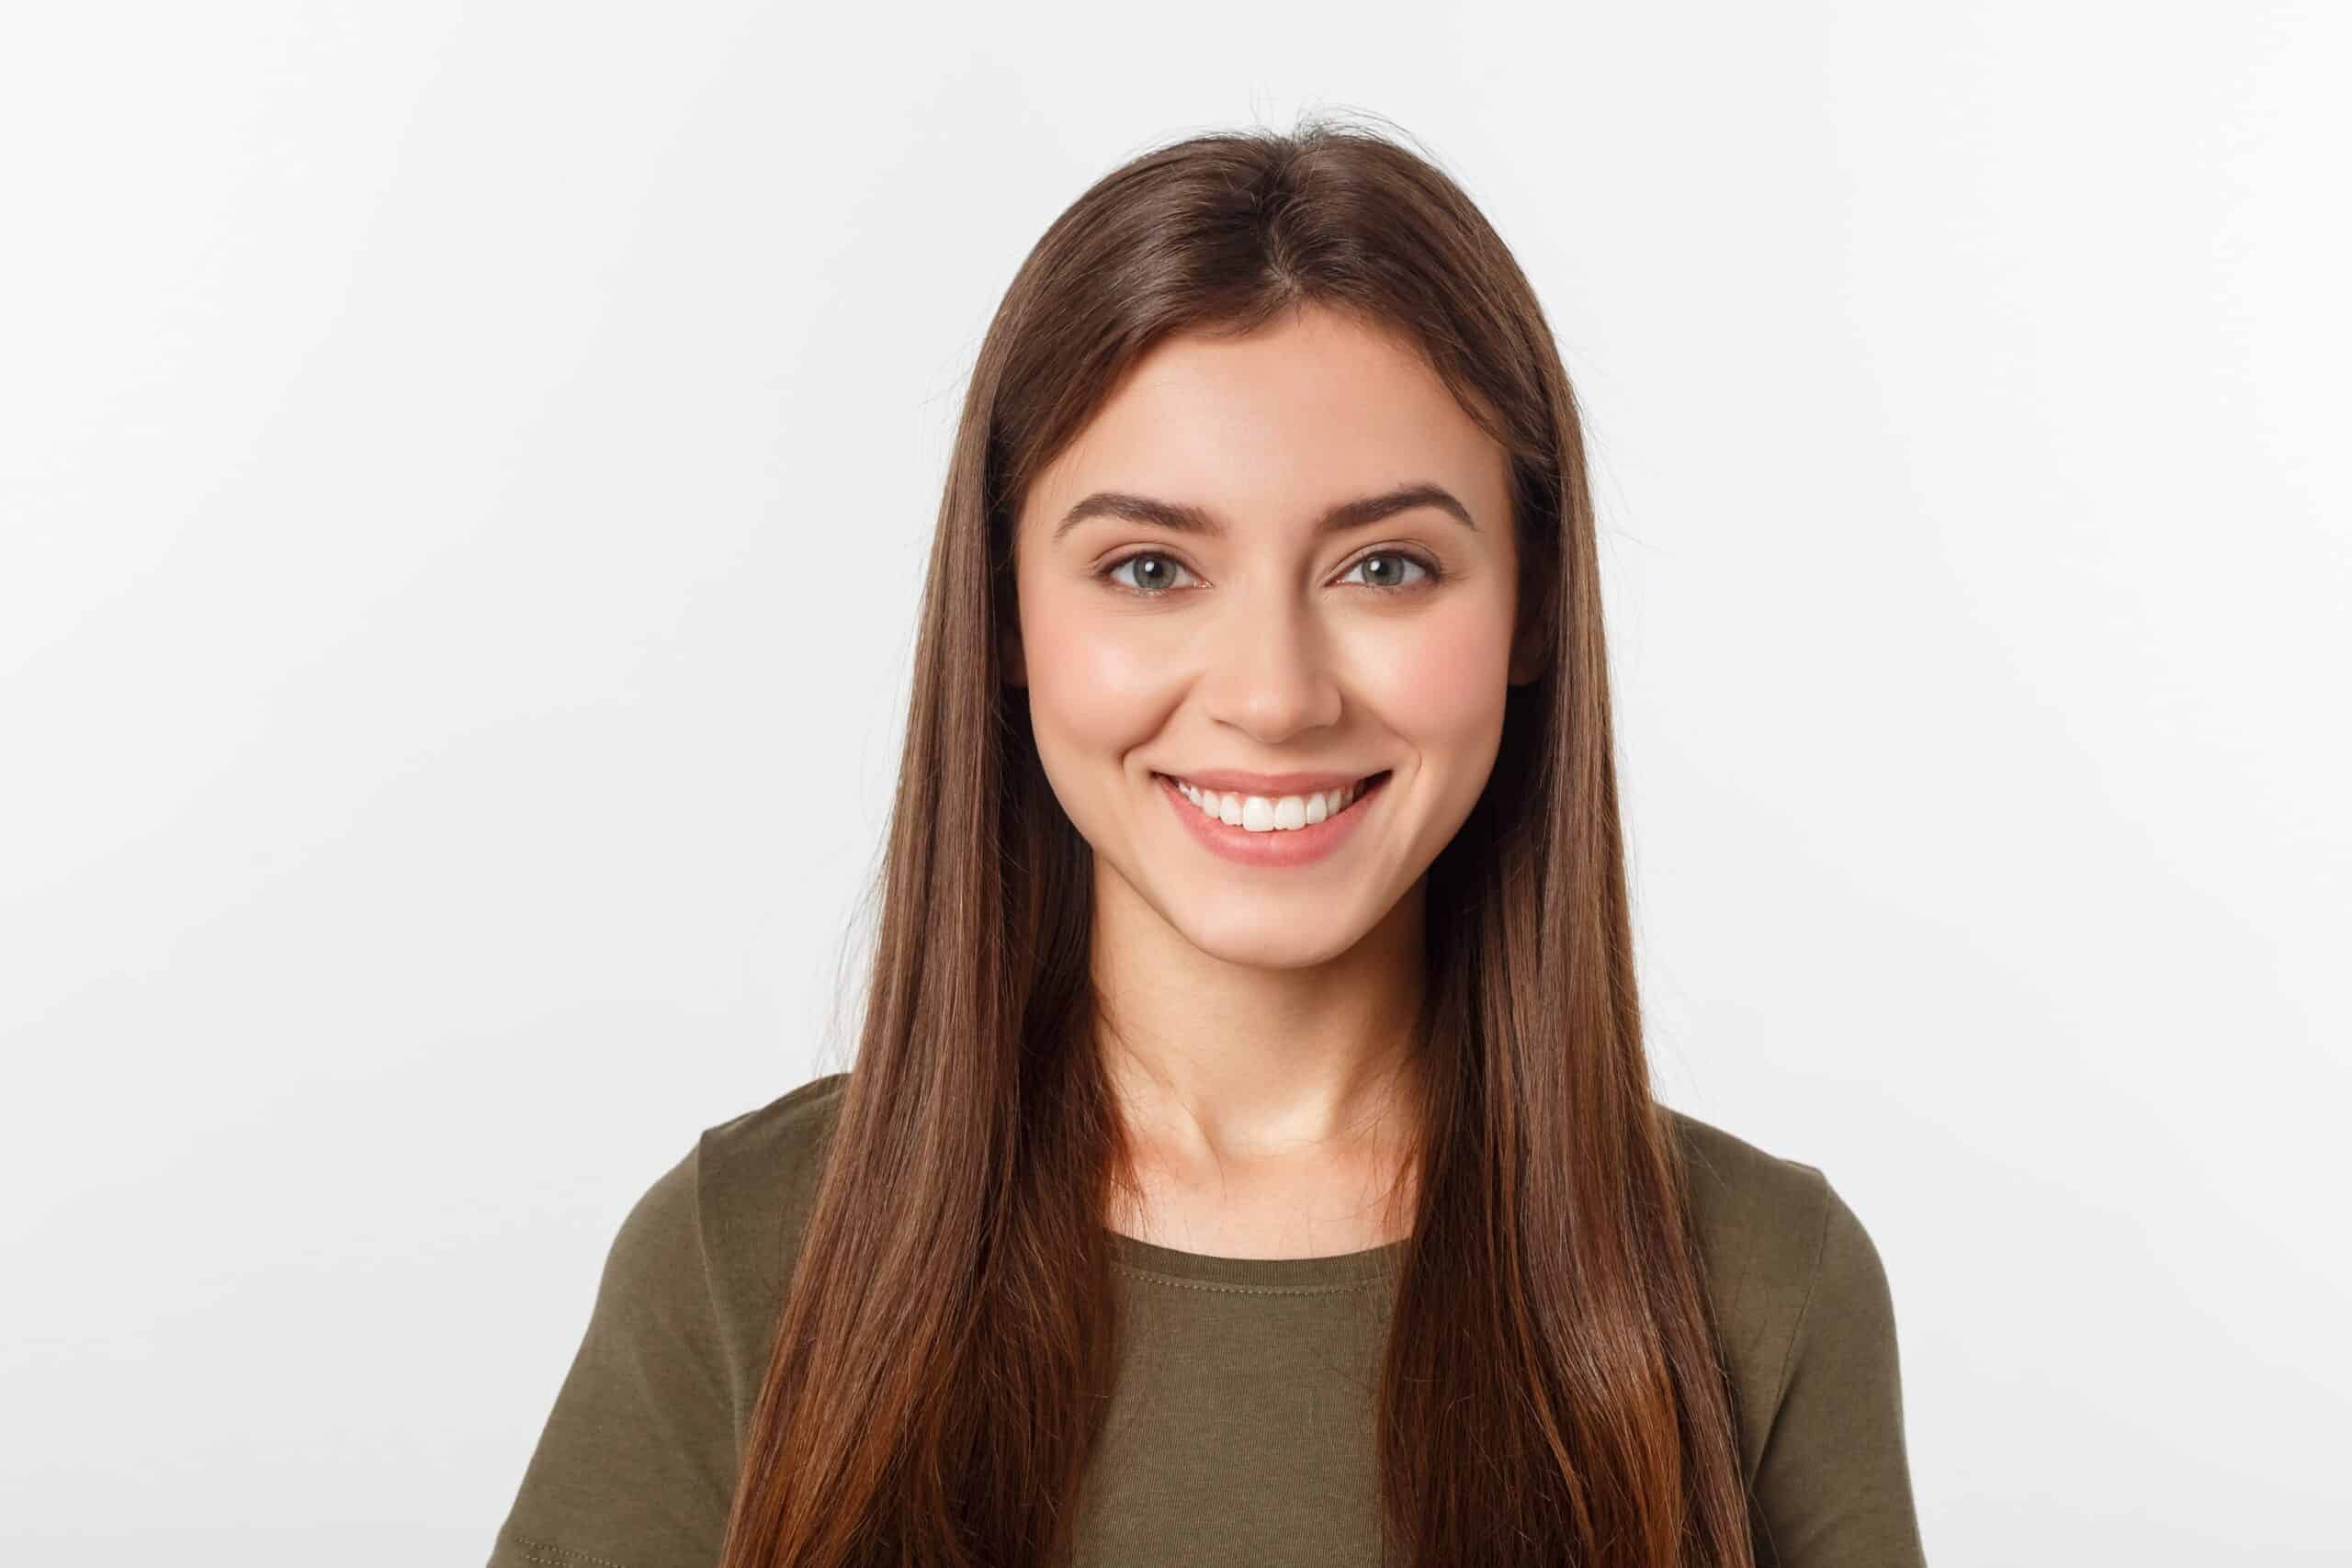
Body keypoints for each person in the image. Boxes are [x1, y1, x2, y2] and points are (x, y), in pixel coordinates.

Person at [487, 117, 1928, 1568]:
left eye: (1386, 566)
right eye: (1151, 569)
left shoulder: (1754, 1291)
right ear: (1004, 611)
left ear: (1534, 611)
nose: (1274, 696)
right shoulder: (745, 1267)